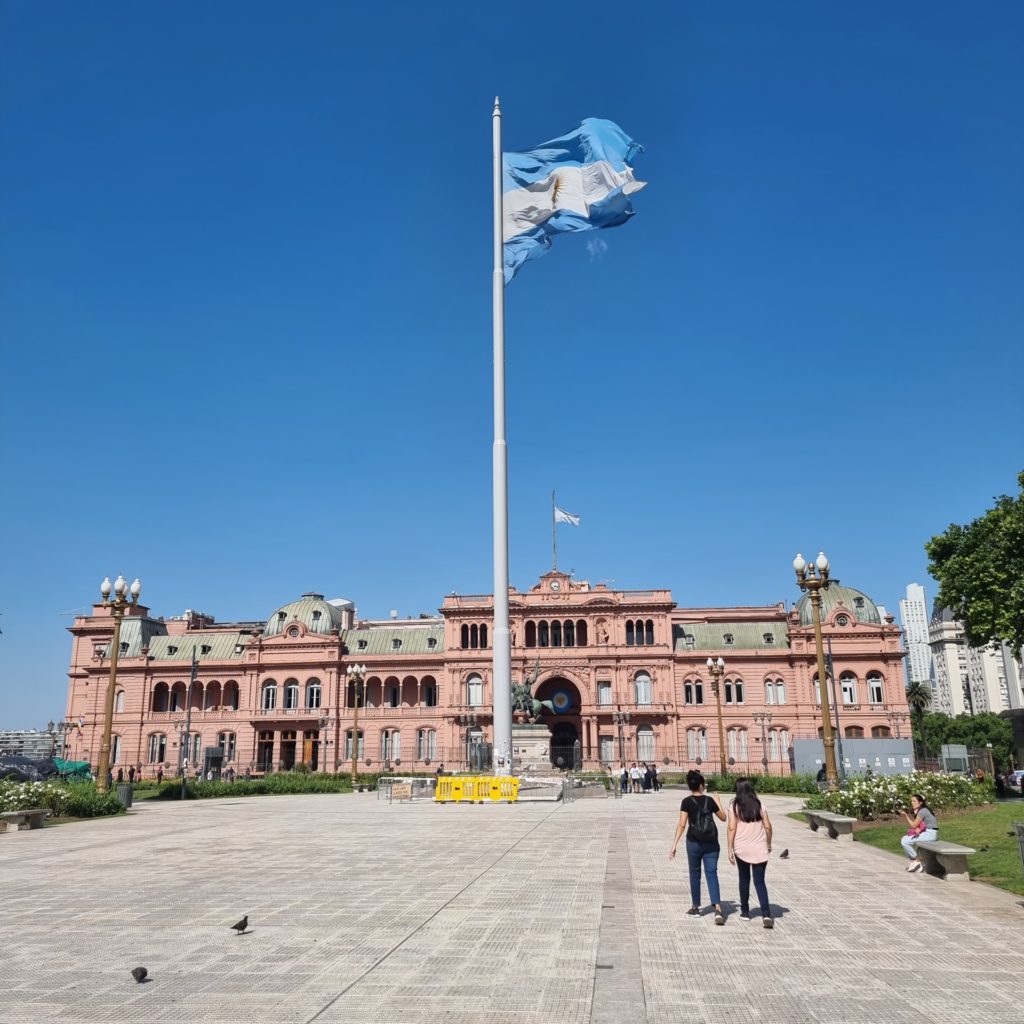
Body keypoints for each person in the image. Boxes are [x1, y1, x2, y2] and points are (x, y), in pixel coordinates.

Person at [669, 769, 727, 924]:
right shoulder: (710, 800)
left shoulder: (686, 802)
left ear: (690, 786)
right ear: (701, 785)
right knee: (712, 873)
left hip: (693, 842)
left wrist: (674, 844)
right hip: (711, 843)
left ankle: (695, 907)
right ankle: (718, 909)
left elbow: (682, 825)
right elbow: (723, 818)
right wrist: (719, 802)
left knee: (695, 874)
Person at [727, 778, 774, 928]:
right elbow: (768, 826)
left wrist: (730, 848)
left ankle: (745, 911)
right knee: (760, 881)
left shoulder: (734, 806)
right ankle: (766, 914)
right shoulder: (759, 805)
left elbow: (731, 828)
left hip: (742, 848)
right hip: (759, 848)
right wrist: (768, 843)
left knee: (744, 879)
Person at [900, 793, 938, 872]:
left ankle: (917, 860)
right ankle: (914, 861)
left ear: (920, 802)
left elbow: (913, 825)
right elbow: (920, 825)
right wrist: (919, 829)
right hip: (927, 832)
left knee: (905, 841)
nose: (912, 803)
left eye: (914, 801)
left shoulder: (922, 811)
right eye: (911, 801)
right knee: (904, 838)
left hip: (930, 834)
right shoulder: (922, 810)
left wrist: (905, 816)